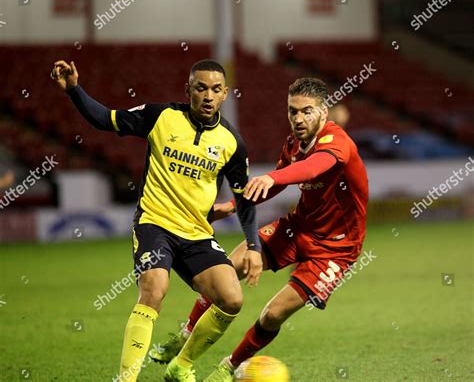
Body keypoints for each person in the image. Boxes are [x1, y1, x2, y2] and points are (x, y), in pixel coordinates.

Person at [51, 59, 262, 382]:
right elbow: (104, 120)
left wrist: (253, 246)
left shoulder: (232, 143)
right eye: (201, 88)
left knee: (232, 299)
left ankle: (181, 365)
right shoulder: (160, 116)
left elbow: (244, 199)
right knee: (154, 289)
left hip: (196, 234)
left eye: (216, 90)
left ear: (225, 94)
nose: (208, 96)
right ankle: (127, 379)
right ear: (187, 90)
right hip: (155, 224)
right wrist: (74, 90)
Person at [153, 77, 368, 382]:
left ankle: (229, 366)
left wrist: (273, 178)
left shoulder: (337, 142)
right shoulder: (293, 144)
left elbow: (311, 168)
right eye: (292, 111)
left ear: (324, 112)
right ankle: (184, 339)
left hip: (335, 249)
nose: (298, 118)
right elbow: (279, 179)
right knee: (227, 270)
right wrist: (232, 206)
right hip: (298, 227)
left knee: (273, 314)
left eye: (307, 111)